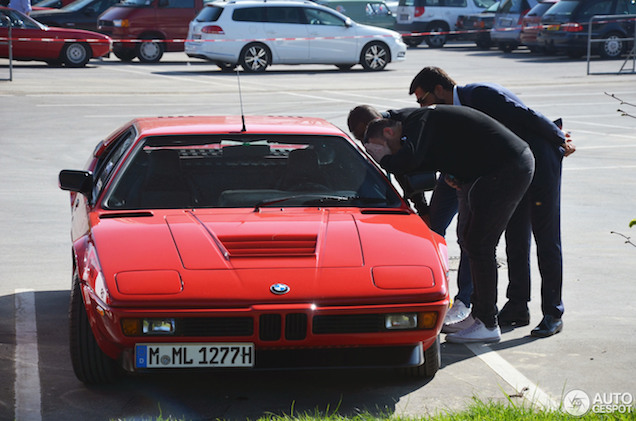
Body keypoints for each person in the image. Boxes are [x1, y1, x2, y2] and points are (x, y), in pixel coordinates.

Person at [410, 66, 575, 337]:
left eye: (423, 100)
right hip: (515, 171)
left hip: (542, 163)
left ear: (439, 89)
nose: (423, 107)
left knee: (546, 238)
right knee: (515, 237)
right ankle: (518, 305)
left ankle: (553, 312)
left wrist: (560, 139)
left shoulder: (480, 94)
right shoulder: (456, 115)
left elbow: (528, 116)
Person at [364, 105, 534, 343]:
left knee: (479, 244)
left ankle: (487, 323)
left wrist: (386, 160)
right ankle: (479, 315)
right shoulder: (411, 126)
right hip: (495, 169)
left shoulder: (418, 119)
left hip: (508, 167)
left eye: (384, 148)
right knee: (471, 240)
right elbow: (425, 161)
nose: (390, 153)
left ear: (389, 133)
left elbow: (409, 158)